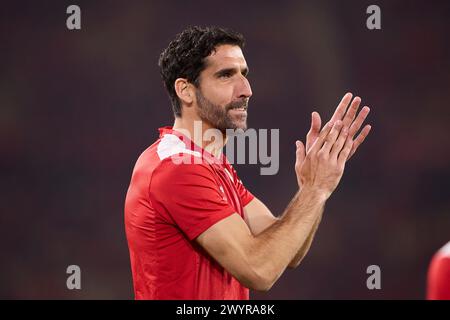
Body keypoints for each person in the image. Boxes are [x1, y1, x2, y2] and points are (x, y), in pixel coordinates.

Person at [124, 26, 372, 299]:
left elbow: (288, 251)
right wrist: (316, 189)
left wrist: (311, 188)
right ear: (186, 90)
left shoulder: (212, 165)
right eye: (226, 75)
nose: (246, 90)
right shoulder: (175, 168)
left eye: (244, 74)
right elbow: (260, 270)